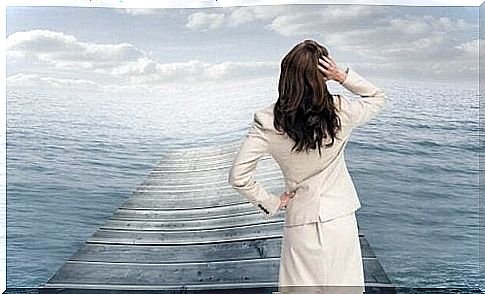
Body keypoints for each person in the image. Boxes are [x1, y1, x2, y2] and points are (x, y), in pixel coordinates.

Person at [228, 39, 388, 294]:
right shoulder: (340, 110)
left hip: (300, 219)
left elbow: (239, 176)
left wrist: (271, 202)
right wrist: (341, 76)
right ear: (322, 76)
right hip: (340, 218)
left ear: (286, 76)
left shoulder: (267, 121)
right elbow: (377, 97)